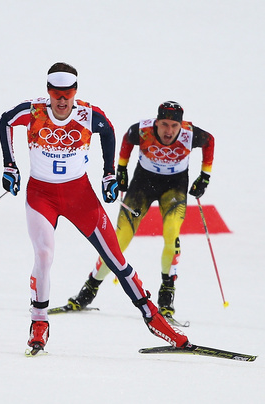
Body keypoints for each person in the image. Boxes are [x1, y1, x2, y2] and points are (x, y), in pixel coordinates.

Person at [0, 62, 189, 353]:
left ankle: (153, 317)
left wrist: (109, 173)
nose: (62, 100)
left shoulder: (89, 115)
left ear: (75, 92)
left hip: (79, 196)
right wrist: (9, 165)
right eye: (56, 93)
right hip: (41, 195)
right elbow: (5, 121)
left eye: (68, 93)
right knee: (44, 253)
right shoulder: (33, 110)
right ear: (48, 91)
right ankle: (39, 322)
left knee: (115, 258)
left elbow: (109, 131)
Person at [65, 101, 215, 321]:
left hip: (174, 188)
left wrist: (205, 176)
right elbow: (127, 139)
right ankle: (90, 288)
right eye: (164, 124)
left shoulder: (190, 134)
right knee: (118, 240)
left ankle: (166, 294)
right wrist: (121, 170)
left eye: (174, 126)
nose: (169, 131)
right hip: (142, 186)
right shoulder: (143, 130)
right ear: (157, 122)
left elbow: (210, 141)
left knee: (172, 234)